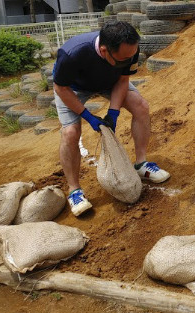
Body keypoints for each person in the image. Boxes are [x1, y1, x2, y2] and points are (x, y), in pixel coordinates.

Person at [53, 20, 170, 216]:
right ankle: (75, 191)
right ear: (105, 50)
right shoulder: (72, 54)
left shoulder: (129, 49)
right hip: (72, 88)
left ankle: (141, 164)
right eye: (123, 59)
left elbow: (123, 79)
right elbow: (60, 88)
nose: (129, 59)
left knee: (141, 107)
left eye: (131, 56)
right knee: (71, 133)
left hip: (110, 82)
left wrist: (114, 112)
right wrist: (88, 116)